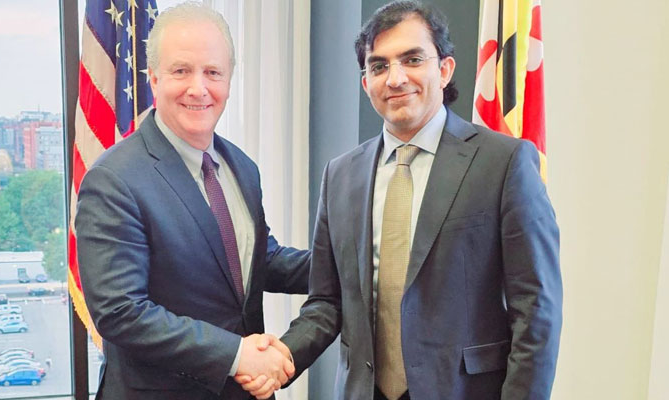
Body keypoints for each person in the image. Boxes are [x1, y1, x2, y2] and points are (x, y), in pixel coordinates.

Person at [239, 1, 562, 399]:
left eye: (412, 59)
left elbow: (536, 310)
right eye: (379, 66)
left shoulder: (504, 163)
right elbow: (327, 300)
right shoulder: (340, 175)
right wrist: (281, 357)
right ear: (365, 83)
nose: (395, 78)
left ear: (444, 69)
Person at [75, 2, 309, 399]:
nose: (198, 88)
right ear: (153, 78)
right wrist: (236, 354)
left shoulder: (242, 168)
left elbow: (258, 261)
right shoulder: (113, 179)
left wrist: (348, 260)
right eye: (181, 71)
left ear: (229, 80)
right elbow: (121, 313)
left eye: (213, 72)